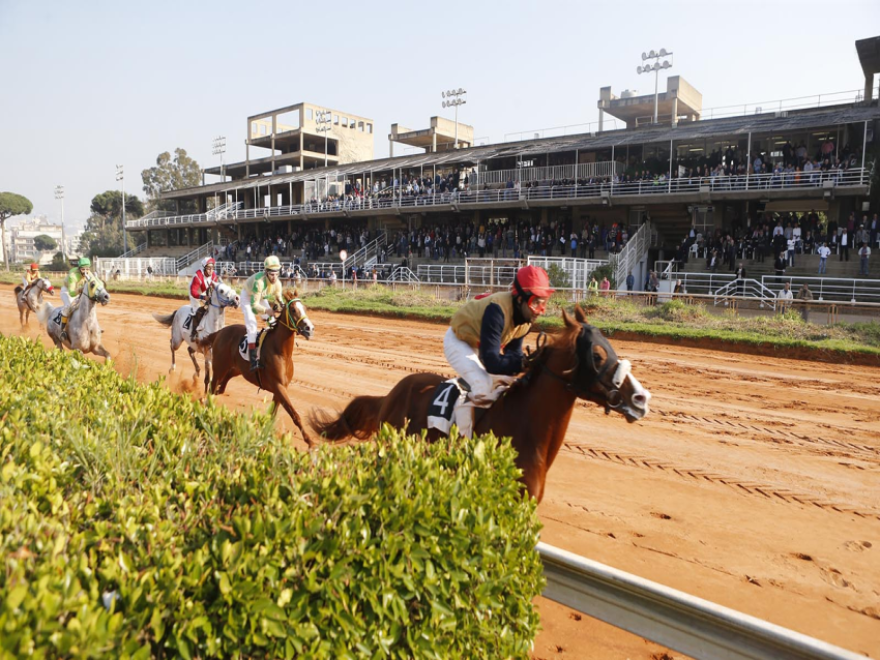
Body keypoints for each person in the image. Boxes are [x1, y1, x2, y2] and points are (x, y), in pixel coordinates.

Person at [444, 265, 554, 438]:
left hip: (481, 344)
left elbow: (512, 354)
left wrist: (524, 363)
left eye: (543, 302)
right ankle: (462, 442)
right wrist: (521, 363)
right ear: (520, 299)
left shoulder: (525, 320)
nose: (541, 310)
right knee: (482, 384)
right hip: (459, 341)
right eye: (535, 302)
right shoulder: (497, 311)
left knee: (509, 383)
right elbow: (492, 362)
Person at [241, 256, 284, 371]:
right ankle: (253, 360)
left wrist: (282, 305)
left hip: (259, 296)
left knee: (272, 321)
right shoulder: (259, 282)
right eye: (271, 274)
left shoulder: (278, 283)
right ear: (266, 272)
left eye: (276, 274)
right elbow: (255, 308)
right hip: (247, 296)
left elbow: (279, 297)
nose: (274, 277)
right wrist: (267, 310)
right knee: (252, 325)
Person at [60, 257, 94, 342]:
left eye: (87, 269)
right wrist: (80, 290)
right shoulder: (73, 276)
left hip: (79, 290)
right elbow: (71, 293)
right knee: (69, 307)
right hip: (67, 291)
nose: (85, 271)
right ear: (79, 269)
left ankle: (92, 326)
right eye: (83, 269)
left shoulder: (89, 273)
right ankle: (62, 331)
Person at [189, 258, 221, 342]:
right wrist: (203, 298)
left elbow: (215, 288)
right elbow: (193, 292)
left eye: (212, 268)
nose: (211, 270)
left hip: (204, 292)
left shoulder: (213, 275)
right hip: (194, 293)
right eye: (208, 268)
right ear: (204, 268)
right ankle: (194, 333)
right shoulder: (198, 276)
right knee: (198, 311)